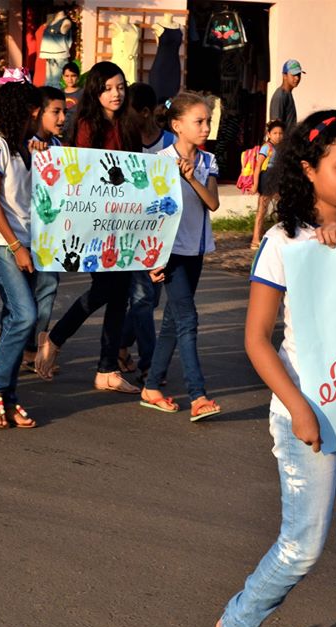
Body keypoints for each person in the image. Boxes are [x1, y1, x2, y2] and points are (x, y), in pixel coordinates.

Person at [202, 110, 336, 627]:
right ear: (309, 169)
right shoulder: (284, 243)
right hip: (305, 415)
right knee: (303, 546)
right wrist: (300, 408)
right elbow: (257, 340)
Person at [34, 61, 139, 394]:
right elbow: (81, 171)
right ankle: (56, 337)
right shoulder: (86, 124)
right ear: (95, 90)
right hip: (95, 222)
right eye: (108, 87)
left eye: (120, 86)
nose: (116, 93)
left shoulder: (129, 124)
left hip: (124, 220)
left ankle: (107, 370)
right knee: (106, 290)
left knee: (119, 293)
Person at [138, 92, 221, 421]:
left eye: (207, 122)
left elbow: (212, 203)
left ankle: (151, 386)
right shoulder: (159, 161)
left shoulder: (207, 161)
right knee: (187, 319)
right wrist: (152, 258)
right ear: (177, 125)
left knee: (174, 320)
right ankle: (197, 394)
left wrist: (191, 177)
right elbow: (149, 215)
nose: (205, 128)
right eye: (199, 122)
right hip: (170, 253)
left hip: (196, 250)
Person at [0, 78, 43, 429]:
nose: (38, 114)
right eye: (34, 108)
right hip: (2, 245)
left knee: (12, 320)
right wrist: (16, 247)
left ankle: (9, 396)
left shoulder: (28, 147)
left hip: (29, 245)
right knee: (24, 316)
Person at [116, 83, 175, 381]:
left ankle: (121, 345)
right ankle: (150, 364)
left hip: (163, 234)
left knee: (150, 300)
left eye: (128, 111)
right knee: (141, 299)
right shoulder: (123, 140)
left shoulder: (171, 143)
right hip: (131, 233)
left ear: (146, 112)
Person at [24, 86, 67, 378]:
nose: (62, 117)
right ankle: (18, 346)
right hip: (24, 234)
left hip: (52, 234)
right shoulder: (24, 145)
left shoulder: (61, 147)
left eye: (65, 111)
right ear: (38, 112)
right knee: (23, 296)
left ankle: (33, 348)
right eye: (56, 111)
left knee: (47, 290)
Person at [249, 119, 285, 250]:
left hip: (278, 179)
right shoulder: (266, 147)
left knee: (281, 208)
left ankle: (280, 237)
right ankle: (255, 239)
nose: (278, 136)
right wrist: (255, 185)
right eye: (275, 133)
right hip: (267, 179)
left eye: (280, 133)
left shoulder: (281, 148)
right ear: (269, 134)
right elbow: (258, 167)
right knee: (262, 209)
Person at [268, 59, 303, 133]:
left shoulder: (288, 94)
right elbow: (276, 128)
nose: (297, 78)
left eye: (298, 75)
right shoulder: (280, 96)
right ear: (285, 76)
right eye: (293, 75)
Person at [61, 62, 82, 143]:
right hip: (61, 133)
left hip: (77, 133)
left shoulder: (83, 93)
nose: (70, 79)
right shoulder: (59, 94)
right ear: (63, 77)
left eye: (73, 76)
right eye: (67, 76)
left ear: (78, 77)